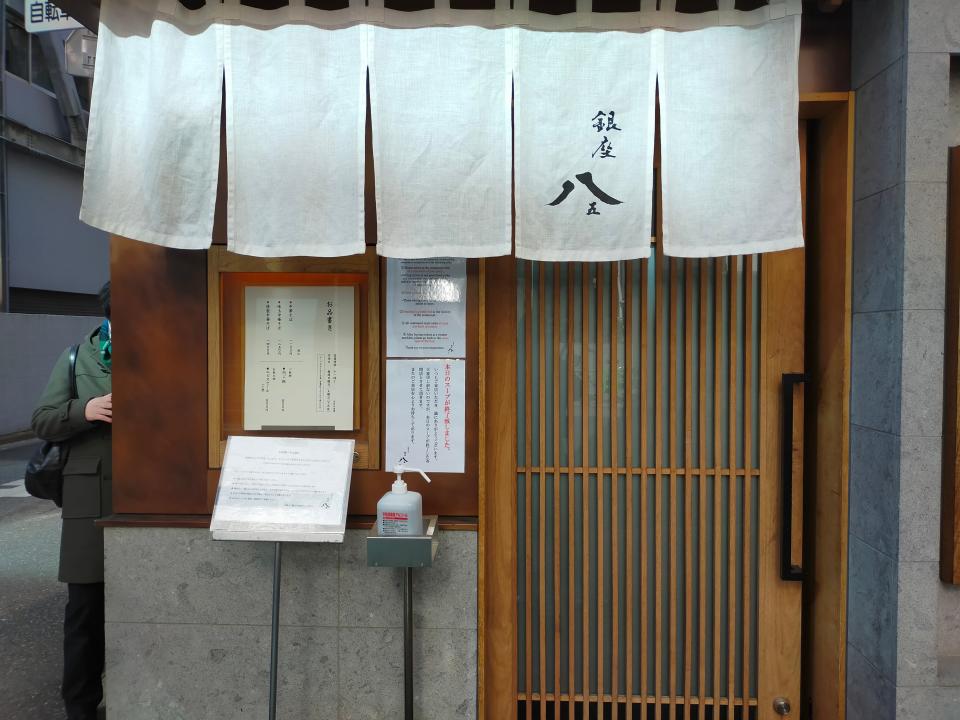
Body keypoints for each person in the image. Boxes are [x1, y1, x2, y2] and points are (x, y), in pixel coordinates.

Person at [32, 281, 112, 720]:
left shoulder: (167, 346)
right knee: (85, 608)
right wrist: (87, 410)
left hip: (151, 492)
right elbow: (42, 419)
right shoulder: (78, 354)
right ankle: (80, 706)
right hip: (89, 496)